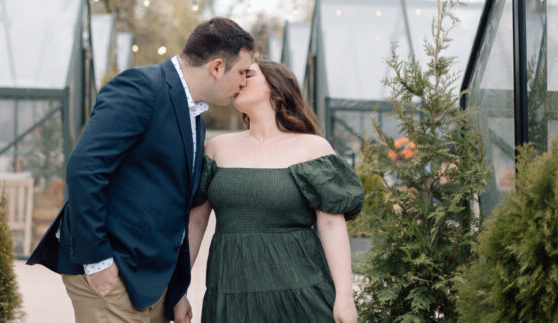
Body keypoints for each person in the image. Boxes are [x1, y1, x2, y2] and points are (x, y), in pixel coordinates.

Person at [27, 17, 255, 323]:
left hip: (150, 283)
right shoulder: (141, 87)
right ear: (216, 67)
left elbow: (172, 206)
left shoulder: (195, 117)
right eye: (242, 72)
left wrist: (175, 291)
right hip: (112, 274)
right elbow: (85, 169)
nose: (244, 82)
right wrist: (97, 262)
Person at [176, 60, 363, 323]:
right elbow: (195, 223)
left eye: (248, 74)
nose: (238, 80)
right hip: (231, 297)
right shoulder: (217, 148)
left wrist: (345, 298)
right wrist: (179, 290)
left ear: (276, 90)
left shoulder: (313, 148)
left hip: (302, 295)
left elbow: (332, 225)